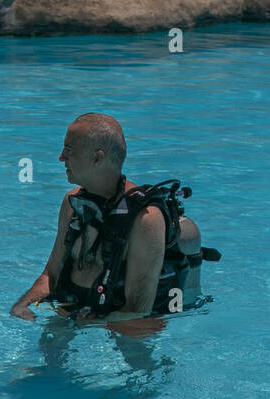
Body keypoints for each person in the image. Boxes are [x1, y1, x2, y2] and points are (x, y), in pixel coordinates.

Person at [11, 113, 218, 329]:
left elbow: (137, 311)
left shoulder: (145, 220)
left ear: (97, 158)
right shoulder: (72, 203)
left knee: (134, 337)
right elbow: (51, 276)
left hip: (129, 323)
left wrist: (82, 324)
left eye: (69, 151)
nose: (61, 157)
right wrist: (22, 305)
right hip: (83, 312)